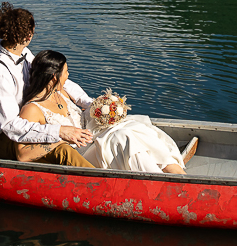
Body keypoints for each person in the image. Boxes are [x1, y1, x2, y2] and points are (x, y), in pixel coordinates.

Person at [18, 49, 187, 174]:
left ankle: (176, 173)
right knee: (123, 137)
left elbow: (84, 108)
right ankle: (158, 179)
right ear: (54, 77)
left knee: (133, 125)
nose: (68, 76)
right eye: (66, 72)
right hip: (79, 153)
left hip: (92, 136)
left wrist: (104, 109)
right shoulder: (32, 109)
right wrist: (60, 136)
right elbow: (22, 155)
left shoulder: (61, 92)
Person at [0, 2, 95, 167]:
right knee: (62, 149)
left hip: (31, 121)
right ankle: (102, 182)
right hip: (6, 138)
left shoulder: (23, 53)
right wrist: (59, 131)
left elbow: (56, 79)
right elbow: (10, 125)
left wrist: (88, 103)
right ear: (28, 36)